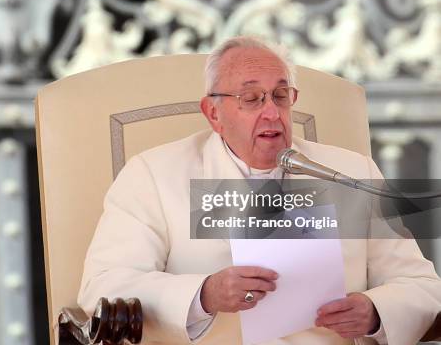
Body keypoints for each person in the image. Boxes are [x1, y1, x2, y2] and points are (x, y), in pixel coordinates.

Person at [77, 36, 441, 344]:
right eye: (252, 99)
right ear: (214, 114)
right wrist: (204, 294)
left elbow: (420, 283)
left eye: (280, 96)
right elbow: (104, 287)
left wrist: (376, 312)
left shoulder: (352, 171)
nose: (272, 113)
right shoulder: (152, 175)